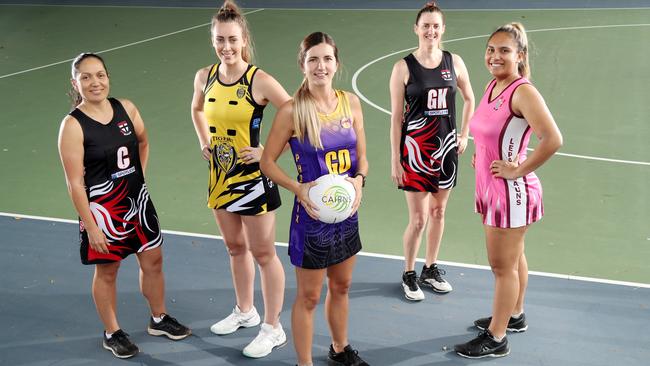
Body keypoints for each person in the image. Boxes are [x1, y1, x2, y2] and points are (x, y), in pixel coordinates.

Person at [57, 53, 191, 359]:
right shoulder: (73, 126)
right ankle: (112, 332)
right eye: (86, 77)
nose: (95, 82)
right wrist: (91, 225)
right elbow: (74, 183)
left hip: (138, 202)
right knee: (108, 271)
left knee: (153, 260)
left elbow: (143, 141)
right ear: (75, 83)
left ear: (108, 77)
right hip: (103, 211)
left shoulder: (126, 109)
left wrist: (138, 179)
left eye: (100, 75)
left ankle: (159, 318)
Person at [453, 22, 563, 358]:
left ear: (520, 55)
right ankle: (514, 315)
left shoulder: (522, 91)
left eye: (504, 50)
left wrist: (517, 169)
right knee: (515, 258)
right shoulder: (493, 85)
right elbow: (493, 132)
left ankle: (497, 337)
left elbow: (553, 139)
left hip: (511, 193)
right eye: (491, 49)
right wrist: (482, 155)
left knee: (502, 266)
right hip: (492, 186)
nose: (495, 56)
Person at [260, 32, 370, 366]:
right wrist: (298, 188)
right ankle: (304, 363)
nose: (320, 66)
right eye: (313, 60)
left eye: (326, 59)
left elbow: (362, 159)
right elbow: (267, 163)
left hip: (346, 214)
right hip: (311, 219)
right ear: (303, 65)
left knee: (343, 286)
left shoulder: (350, 102)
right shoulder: (292, 111)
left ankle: (340, 348)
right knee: (309, 297)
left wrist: (360, 182)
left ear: (336, 63)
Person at [189, 0, 291, 358]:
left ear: (244, 38)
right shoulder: (206, 76)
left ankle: (273, 327)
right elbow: (197, 107)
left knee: (264, 253)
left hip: (253, 178)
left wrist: (268, 153)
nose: (226, 47)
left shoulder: (258, 79)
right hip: (220, 176)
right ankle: (245, 311)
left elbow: (293, 112)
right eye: (220, 40)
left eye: (232, 39)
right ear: (212, 40)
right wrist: (204, 140)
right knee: (235, 248)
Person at [389, 1, 475, 301]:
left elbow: (469, 98)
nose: (431, 30)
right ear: (416, 29)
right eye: (425, 25)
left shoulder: (455, 62)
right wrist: (396, 159)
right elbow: (396, 119)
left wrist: (464, 135)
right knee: (418, 219)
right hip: (414, 152)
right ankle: (408, 273)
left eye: (436, 25)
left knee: (439, 212)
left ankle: (430, 268)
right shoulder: (403, 67)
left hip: (446, 151)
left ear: (442, 29)